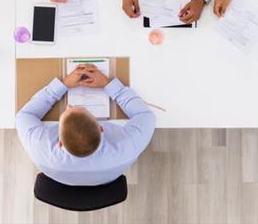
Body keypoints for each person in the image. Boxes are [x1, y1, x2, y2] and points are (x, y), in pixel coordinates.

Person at [16, 64, 156, 186]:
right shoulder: (127, 145)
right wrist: (109, 85)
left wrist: (62, 85)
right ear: (101, 128)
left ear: (60, 142)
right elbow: (145, 116)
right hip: (106, 178)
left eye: (67, 110)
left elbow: (24, 115)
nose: (69, 106)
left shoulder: (39, 145)